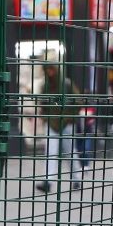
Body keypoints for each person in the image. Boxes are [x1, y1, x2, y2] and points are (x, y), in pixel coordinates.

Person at [35, 62, 86, 193]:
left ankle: (76, 180)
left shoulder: (67, 84)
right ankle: (48, 181)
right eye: (47, 70)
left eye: (51, 69)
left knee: (70, 153)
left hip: (67, 123)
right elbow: (43, 104)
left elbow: (78, 100)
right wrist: (45, 117)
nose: (49, 72)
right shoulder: (45, 86)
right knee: (50, 153)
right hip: (52, 123)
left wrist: (70, 117)